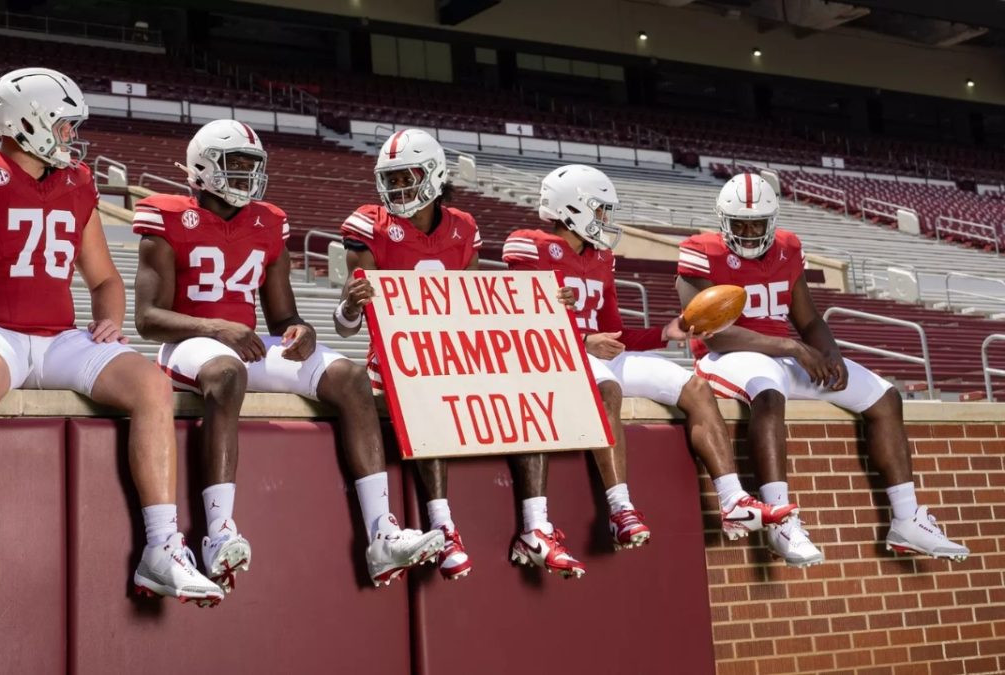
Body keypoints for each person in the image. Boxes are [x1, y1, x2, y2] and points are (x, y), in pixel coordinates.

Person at [0, 68, 221, 614]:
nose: (69, 137)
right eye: (62, 125)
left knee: (151, 383)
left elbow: (104, 278)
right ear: (27, 122)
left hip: (60, 338)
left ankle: (162, 547)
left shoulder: (76, 182)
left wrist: (108, 318)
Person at [132, 119, 444, 590]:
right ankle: (217, 534)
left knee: (350, 377)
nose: (245, 176)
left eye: (251, 166)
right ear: (203, 167)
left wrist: (300, 333)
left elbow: (282, 318)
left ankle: (382, 533)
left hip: (244, 345)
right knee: (227, 372)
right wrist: (216, 326)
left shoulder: (268, 222)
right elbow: (148, 317)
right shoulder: (169, 216)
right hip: (188, 345)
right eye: (234, 165)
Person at [676, 172, 970, 567]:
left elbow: (809, 318)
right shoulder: (700, 251)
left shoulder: (787, 248)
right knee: (767, 391)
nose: (747, 232)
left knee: (885, 397)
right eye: (740, 224)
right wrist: (793, 348)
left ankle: (906, 520)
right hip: (728, 357)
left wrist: (829, 353)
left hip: (784, 355)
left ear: (772, 221)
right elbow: (712, 334)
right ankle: (780, 519)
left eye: (756, 224)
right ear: (723, 220)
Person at [503, 164, 797, 552]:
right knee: (609, 387)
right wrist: (583, 340)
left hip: (596, 356)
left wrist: (664, 332)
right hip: (556, 356)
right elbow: (516, 318)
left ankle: (733, 500)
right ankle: (620, 509)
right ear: (573, 208)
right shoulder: (530, 246)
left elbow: (617, 334)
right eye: (600, 209)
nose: (606, 219)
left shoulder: (601, 258)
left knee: (695, 386)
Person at [335, 129, 585, 578]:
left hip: (451, 357)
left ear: (433, 176)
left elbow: (473, 308)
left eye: (407, 176)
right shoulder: (369, 224)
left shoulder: (463, 227)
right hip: (395, 361)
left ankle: (536, 526)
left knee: (529, 389)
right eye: (390, 179)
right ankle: (443, 525)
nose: (396, 189)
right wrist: (350, 303)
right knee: (426, 391)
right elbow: (346, 323)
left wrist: (543, 303)